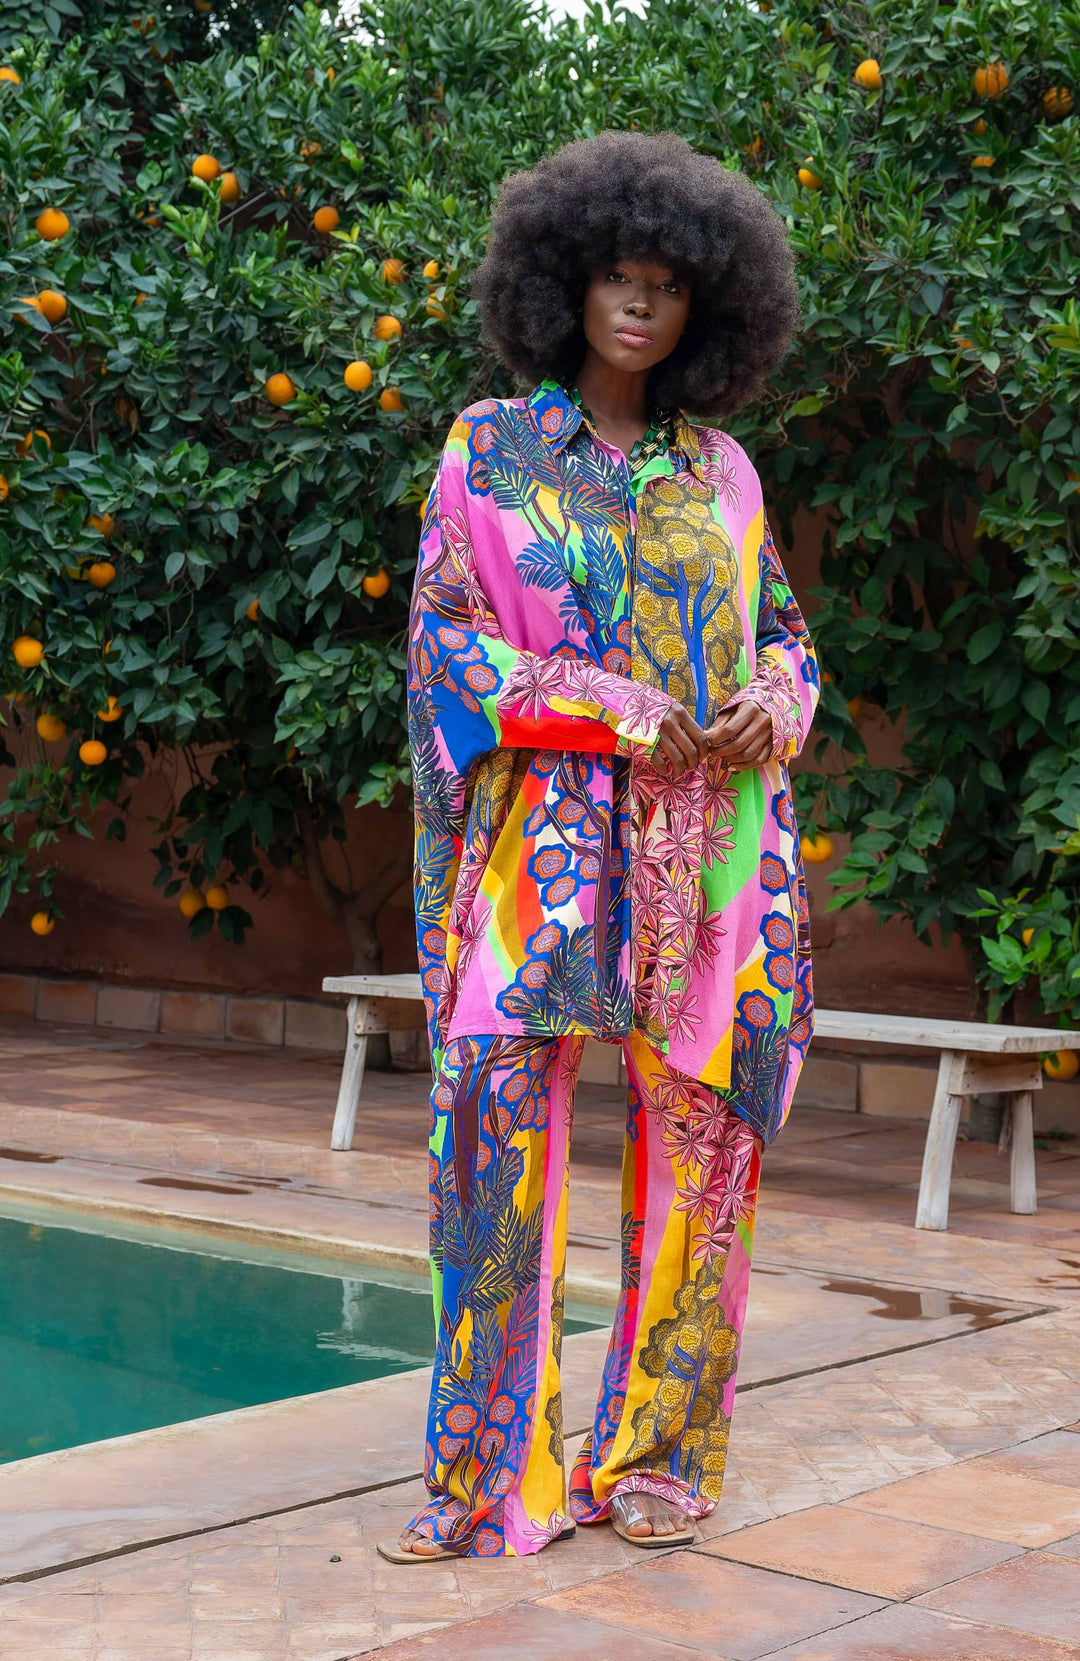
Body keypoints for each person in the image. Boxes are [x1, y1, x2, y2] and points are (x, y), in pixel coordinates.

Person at [380, 129, 818, 1563]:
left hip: (713, 864)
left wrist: (775, 702)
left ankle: (657, 1462)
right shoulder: (488, 451)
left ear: (709, 308)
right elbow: (448, 648)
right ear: (563, 281)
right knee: (495, 1148)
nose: (641, 303)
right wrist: (610, 705)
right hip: (542, 863)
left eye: (670, 285)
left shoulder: (727, 474)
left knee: (703, 1157)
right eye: (620, 275)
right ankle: (484, 1481)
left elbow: (785, 634)